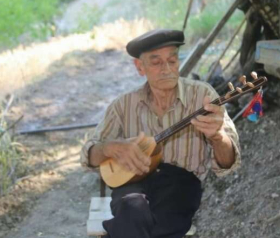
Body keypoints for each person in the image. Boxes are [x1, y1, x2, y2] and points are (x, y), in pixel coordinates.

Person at [80, 29, 241, 238]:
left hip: (180, 185)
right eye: (156, 63)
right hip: (132, 183)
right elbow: (88, 156)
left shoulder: (202, 96)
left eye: (172, 61)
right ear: (140, 67)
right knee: (132, 209)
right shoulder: (123, 106)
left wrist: (218, 136)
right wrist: (109, 147)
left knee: (156, 218)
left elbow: (228, 162)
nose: (167, 69)